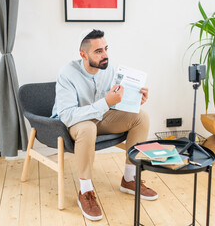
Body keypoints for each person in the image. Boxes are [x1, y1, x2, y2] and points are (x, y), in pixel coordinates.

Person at [51, 29, 158, 221]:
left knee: (141, 117)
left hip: (100, 117)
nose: (105, 55)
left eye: (106, 49)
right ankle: (85, 191)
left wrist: (135, 101)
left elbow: (114, 103)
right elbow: (67, 115)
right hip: (75, 122)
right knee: (88, 127)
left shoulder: (108, 70)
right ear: (83, 55)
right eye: (98, 51)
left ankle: (129, 179)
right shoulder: (67, 73)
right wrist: (106, 103)